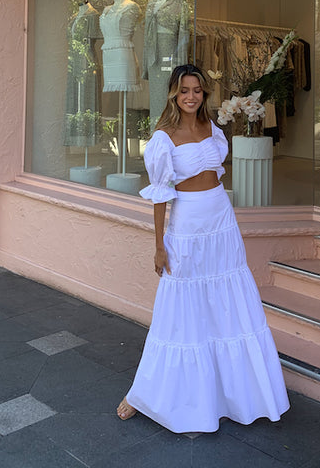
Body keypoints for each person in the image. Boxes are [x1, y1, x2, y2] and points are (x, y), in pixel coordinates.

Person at [116, 64, 289, 433]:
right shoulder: (163, 138)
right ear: (173, 95)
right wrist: (159, 245)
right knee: (180, 308)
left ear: (204, 94)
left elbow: (216, 174)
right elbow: (160, 196)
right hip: (187, 225)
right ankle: (142, 394)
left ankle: (231, 394)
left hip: (221, 221)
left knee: (226, 304)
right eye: (184, 91)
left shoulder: (213, 128)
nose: (191, 97)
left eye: (196, 90)